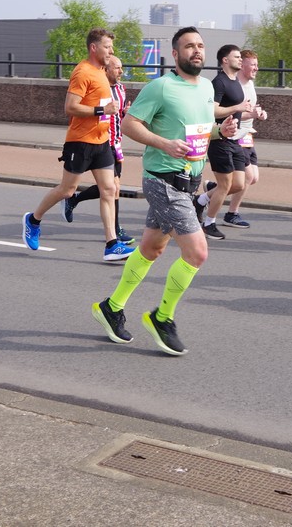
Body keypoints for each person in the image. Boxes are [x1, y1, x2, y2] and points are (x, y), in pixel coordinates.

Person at [89, 27, 237, 355]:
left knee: (151, 249)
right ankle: (162, 317)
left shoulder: (205, 88)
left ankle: (112, 308)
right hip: (164, 181)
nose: (196, 51)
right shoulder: (161, 87)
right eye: (189, 46)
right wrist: (164, 144)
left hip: (190, 181)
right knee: (197, 253)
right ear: (175, 54)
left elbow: (199, 131)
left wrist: (220, 132)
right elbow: (130, 124)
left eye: (200, 46)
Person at [22, 28, 134, 263]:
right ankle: (33, 219)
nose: (111, 51)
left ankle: (111, 244)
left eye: (111, 47)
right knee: (67, 190)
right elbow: (70, 107)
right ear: (94, 48)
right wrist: (103, 110)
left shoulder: (102, 71)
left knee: (109, 189)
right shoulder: (82, 72)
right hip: (80, 142)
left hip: (102, 141)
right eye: (107, 47)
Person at [63, 54, 133, 245]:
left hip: (116, 143)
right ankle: (115, 232)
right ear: (106, 69)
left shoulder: (120, 88)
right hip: (100, 141)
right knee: (112, 188)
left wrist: (125, 113)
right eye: (117, 68)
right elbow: (75, 108)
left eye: (121, 68)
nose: (121, 72)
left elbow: (117, 115)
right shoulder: (98, 88)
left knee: (111, 188)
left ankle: (74, 199)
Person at [194, 44, 255, 240]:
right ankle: (208, 224)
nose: (240, 59)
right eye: (236, 57)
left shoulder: (235, 81)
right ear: (225, 60)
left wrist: (251, 113)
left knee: (239, 184)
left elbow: (237, 110)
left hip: (234, 140)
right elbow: (213, 110)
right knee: (224, 185)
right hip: (219, 139)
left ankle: (200, 201)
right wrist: (238, 107)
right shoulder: (219, 82)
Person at [224, 49, 267, 226]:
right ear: (242, 66)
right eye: (253, 65)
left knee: (253, 178)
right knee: (247, 177)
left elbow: (250, 109)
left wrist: (260, 113)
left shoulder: (250, 84)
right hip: (235, 136)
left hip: (247, 135)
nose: (256, 68)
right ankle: (231, 213)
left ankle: (211, 191)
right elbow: (232, 114)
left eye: (257, 65)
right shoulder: (236, 87)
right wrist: (252, 115)